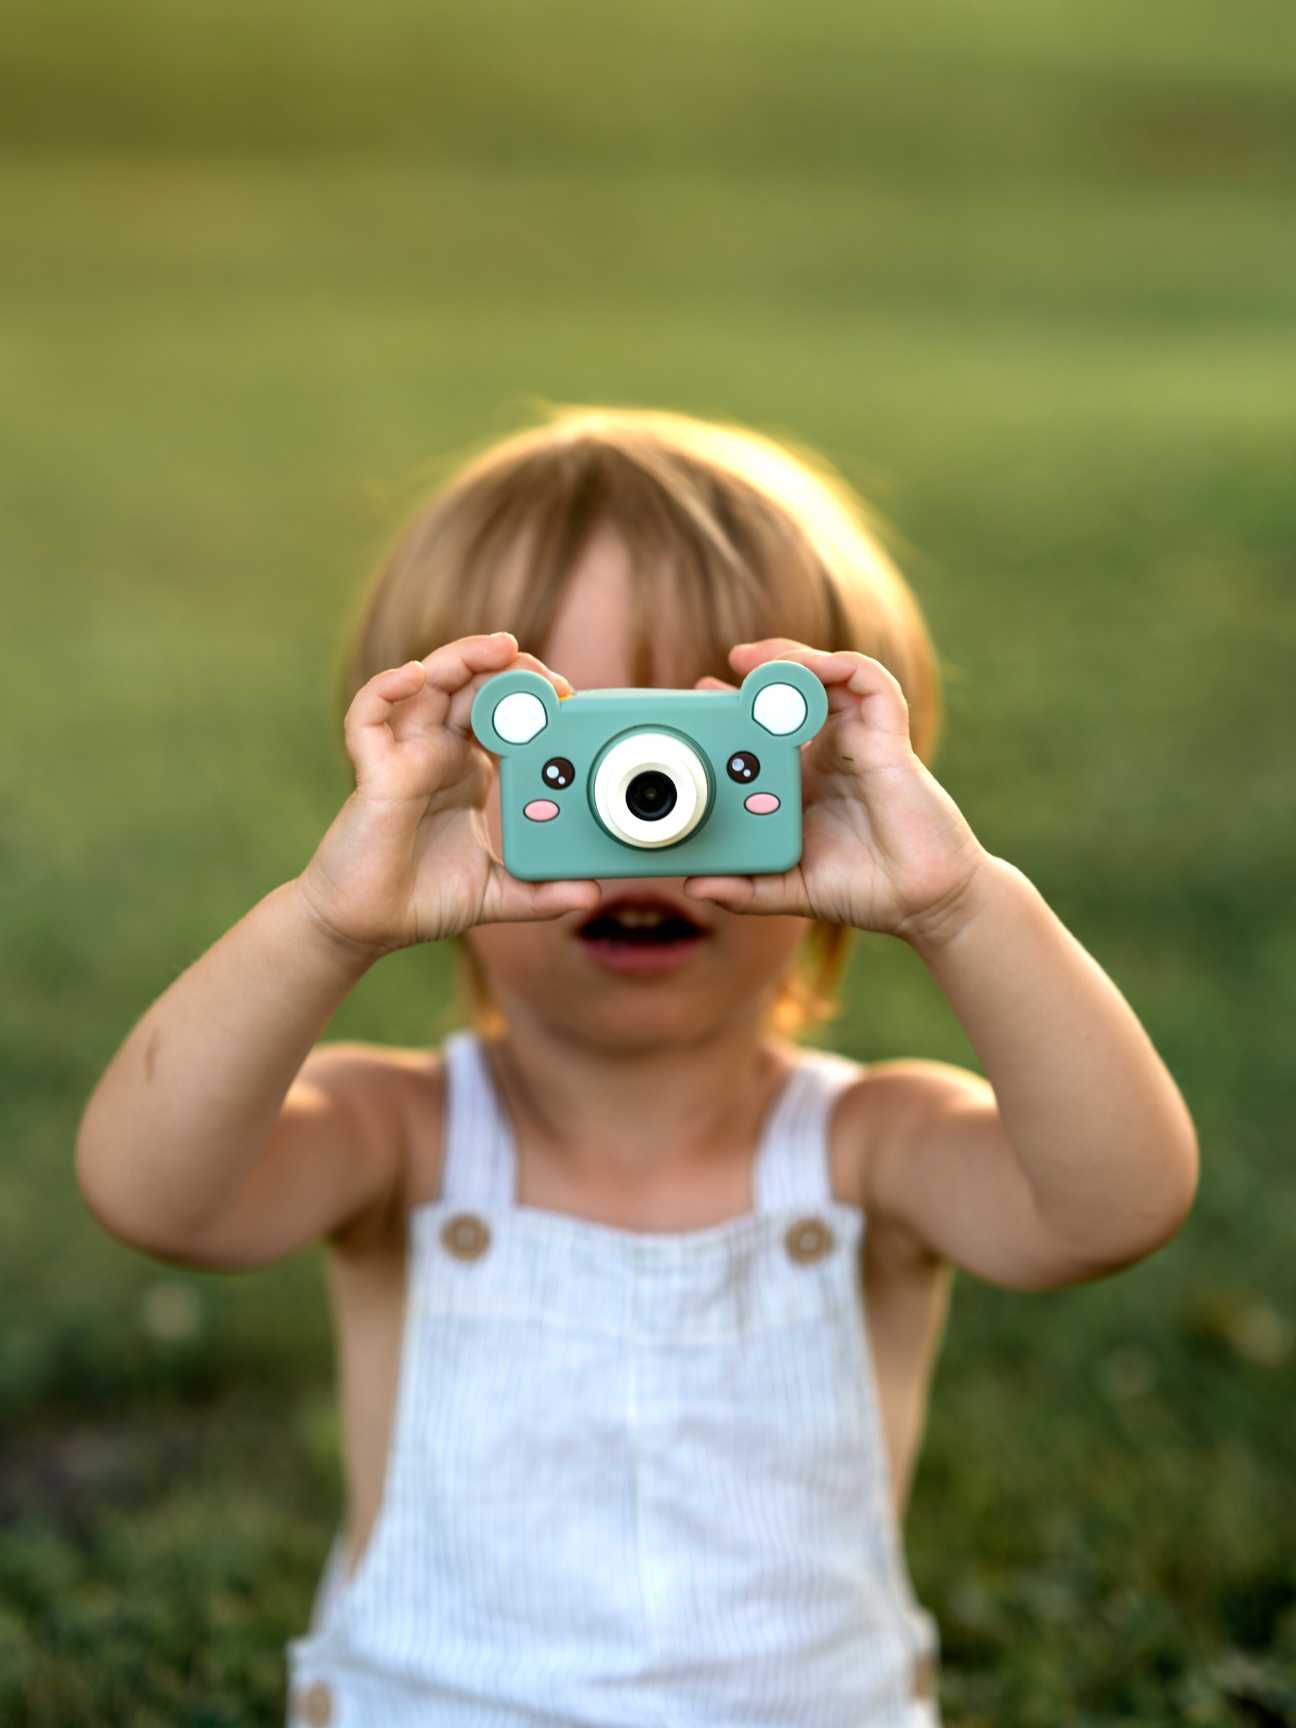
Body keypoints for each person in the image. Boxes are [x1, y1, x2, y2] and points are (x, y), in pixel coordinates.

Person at [75, 406, 1200, 1727]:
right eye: (567, 753)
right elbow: (158, 1195)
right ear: (432, 787)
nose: (645, 820)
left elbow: (1114, 1206)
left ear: (845, 780)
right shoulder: (403, 1137)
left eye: (719, 757)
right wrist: (326, 922)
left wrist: (961, 903)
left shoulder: (870, 1150)